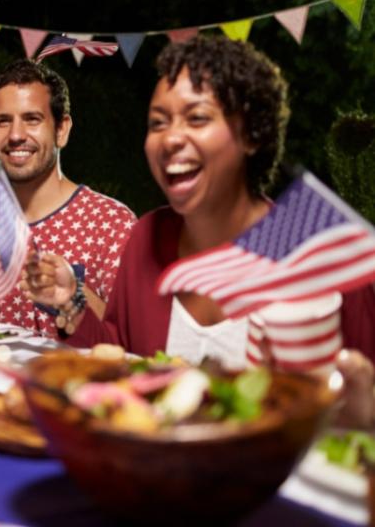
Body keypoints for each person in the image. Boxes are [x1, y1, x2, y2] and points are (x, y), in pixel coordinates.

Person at [29, 35, 375, 371]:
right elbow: (121, 359)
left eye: (197, 117)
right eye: (158, 123)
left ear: (252, 134)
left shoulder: (324, 256)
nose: (170, 139)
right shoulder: (147, 238)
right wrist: (72, 302)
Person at [0, 60, 135, 338]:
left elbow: (136, 341)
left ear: (61, 130)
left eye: (32, 119)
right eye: (3, 121)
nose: (16, 135)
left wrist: (74, 295)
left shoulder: (112, 224)